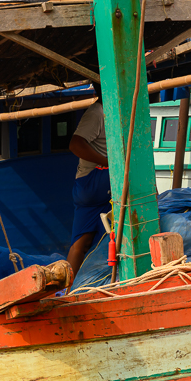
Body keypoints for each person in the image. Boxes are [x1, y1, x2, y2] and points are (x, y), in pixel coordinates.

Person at [67, 99, 112, 275]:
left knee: (82, 242)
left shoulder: (104, 111)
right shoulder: (97, 113)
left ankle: (68, 290)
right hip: (95, 179)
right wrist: (110, 162)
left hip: (85, 185)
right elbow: (75, 144)